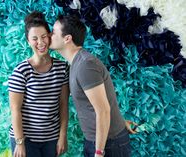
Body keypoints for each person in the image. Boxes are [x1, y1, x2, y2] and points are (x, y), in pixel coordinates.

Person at [50, 15, 137, 157]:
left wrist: (99, 152)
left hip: (108, 144)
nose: (50, 35)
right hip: (98, 141)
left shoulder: (85, 65)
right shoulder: (76, 63)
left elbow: (103, 110)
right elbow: (105, 99)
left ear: (67, 38)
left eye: (53, 32)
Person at [8, 11, 69, 157]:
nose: (40, 43)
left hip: (51, 138)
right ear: (28, 41)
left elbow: (63, 104)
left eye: (44, 37)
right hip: (25, 138)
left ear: (49, 36)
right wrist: (20, 142)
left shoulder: (62, 68)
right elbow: (15, 110)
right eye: (34, 39)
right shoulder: (21, 71)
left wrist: (62, 136)